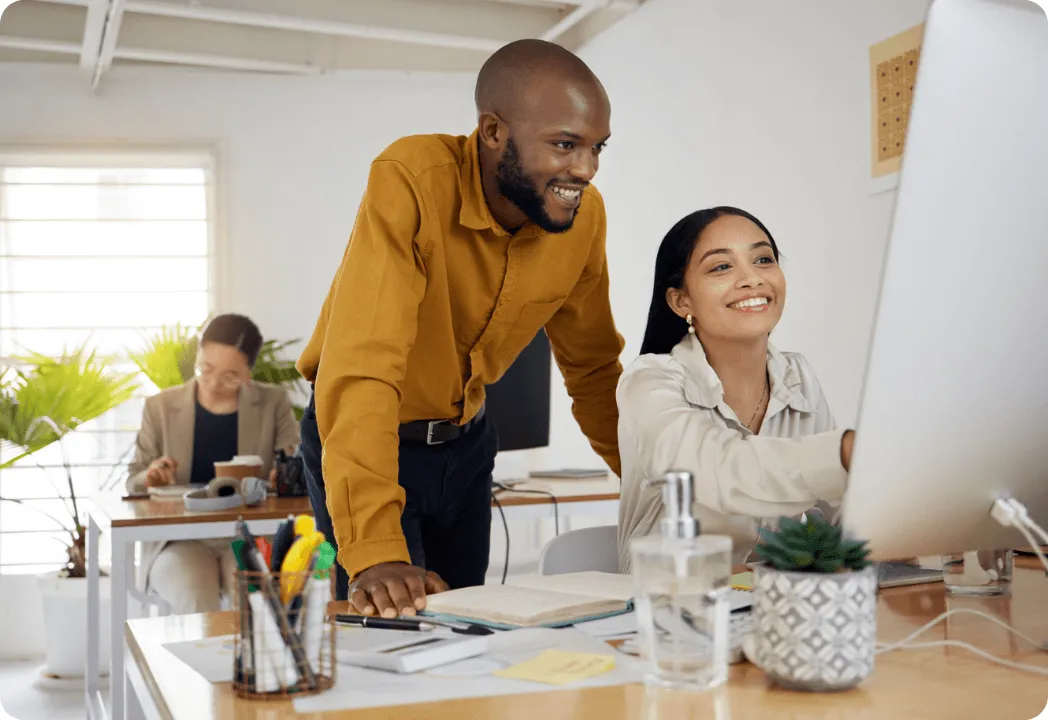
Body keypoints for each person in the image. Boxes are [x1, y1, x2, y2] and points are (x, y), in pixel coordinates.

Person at [297, 38, 624, 616]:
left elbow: (594, 369)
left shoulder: (582, 217)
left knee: (469, 631)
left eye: (597, 148)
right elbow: (363, 366)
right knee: (382, 641)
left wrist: (666, 493)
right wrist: (374, 550)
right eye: (565, 144)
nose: (586, 168)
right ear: (493, 131)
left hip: (467, 447)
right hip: (371, 441)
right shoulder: (413, 178)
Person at [616, 207, 856, 571]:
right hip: (668, 611)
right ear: (681, 301)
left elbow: (842, 515)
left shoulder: (797, 375)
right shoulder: (649, 382)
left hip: (767, 609)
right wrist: (840, 454)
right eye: (721, 267)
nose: (752, 279)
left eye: (763, 259)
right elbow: (714, 472)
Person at [126, 313, 300, 613]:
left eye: (230, 375)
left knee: (250, 595)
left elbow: (295, 466)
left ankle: (247, 661)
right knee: (196, 595)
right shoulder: (161, 407)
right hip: (179, 540)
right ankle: (204, 661)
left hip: (248, 534)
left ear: (249, 371)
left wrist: (281, 478)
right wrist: (152, 476)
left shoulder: (273, 403)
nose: (215, 382)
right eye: (206, 369)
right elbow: (133, 479)